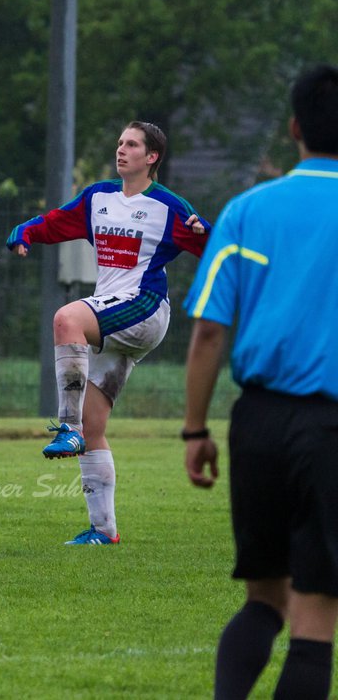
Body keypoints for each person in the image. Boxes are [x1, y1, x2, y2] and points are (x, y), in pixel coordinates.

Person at [183, 64, 338, 700]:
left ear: (295, 126)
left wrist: (195, 429)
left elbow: (210, 334)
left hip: (260, 423)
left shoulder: (248, 211)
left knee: (264, 601)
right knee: (316, 619)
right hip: (331, 430)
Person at [7, 122, 209, 545]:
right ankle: (103, 530)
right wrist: (26, 231)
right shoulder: (98, 196)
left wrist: (204, 233)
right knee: (93, 423)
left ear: (152, 157)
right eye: (119, 142)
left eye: (131, 144)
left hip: (146, 309)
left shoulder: (168, 206)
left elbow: (215, 249)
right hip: (115, 316)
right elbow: (57, 222)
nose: (121, 149)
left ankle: (66, 427)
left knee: (67, 319)